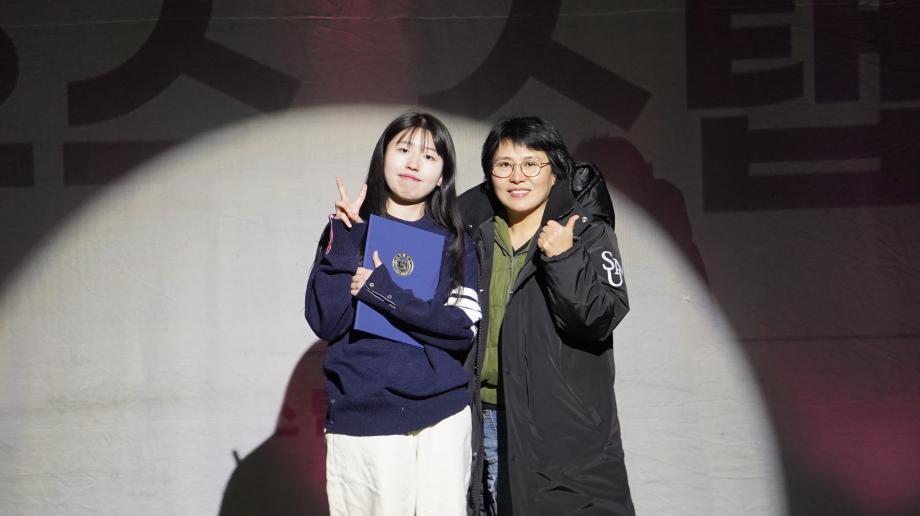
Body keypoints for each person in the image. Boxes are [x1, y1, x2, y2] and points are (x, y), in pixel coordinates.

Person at [305, 112, 480, 516]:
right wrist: (346, 238)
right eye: (403, 149)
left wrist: (383, 292)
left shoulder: (456, 242)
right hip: (366, 414)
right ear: (383, 156)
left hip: (442, 415)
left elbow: (460, 329)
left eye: (429, 156)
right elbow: (327, 322)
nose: (414, 163)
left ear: (442, 175)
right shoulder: (349, 230)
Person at [459, 116, 634, 515]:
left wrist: (564, 257)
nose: (517, 176)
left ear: (555, 172)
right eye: (504, 165)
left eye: (531, 164)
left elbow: (600, 318)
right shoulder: (472, 234)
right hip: (486, 420)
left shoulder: (585, 231)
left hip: (559, 429)